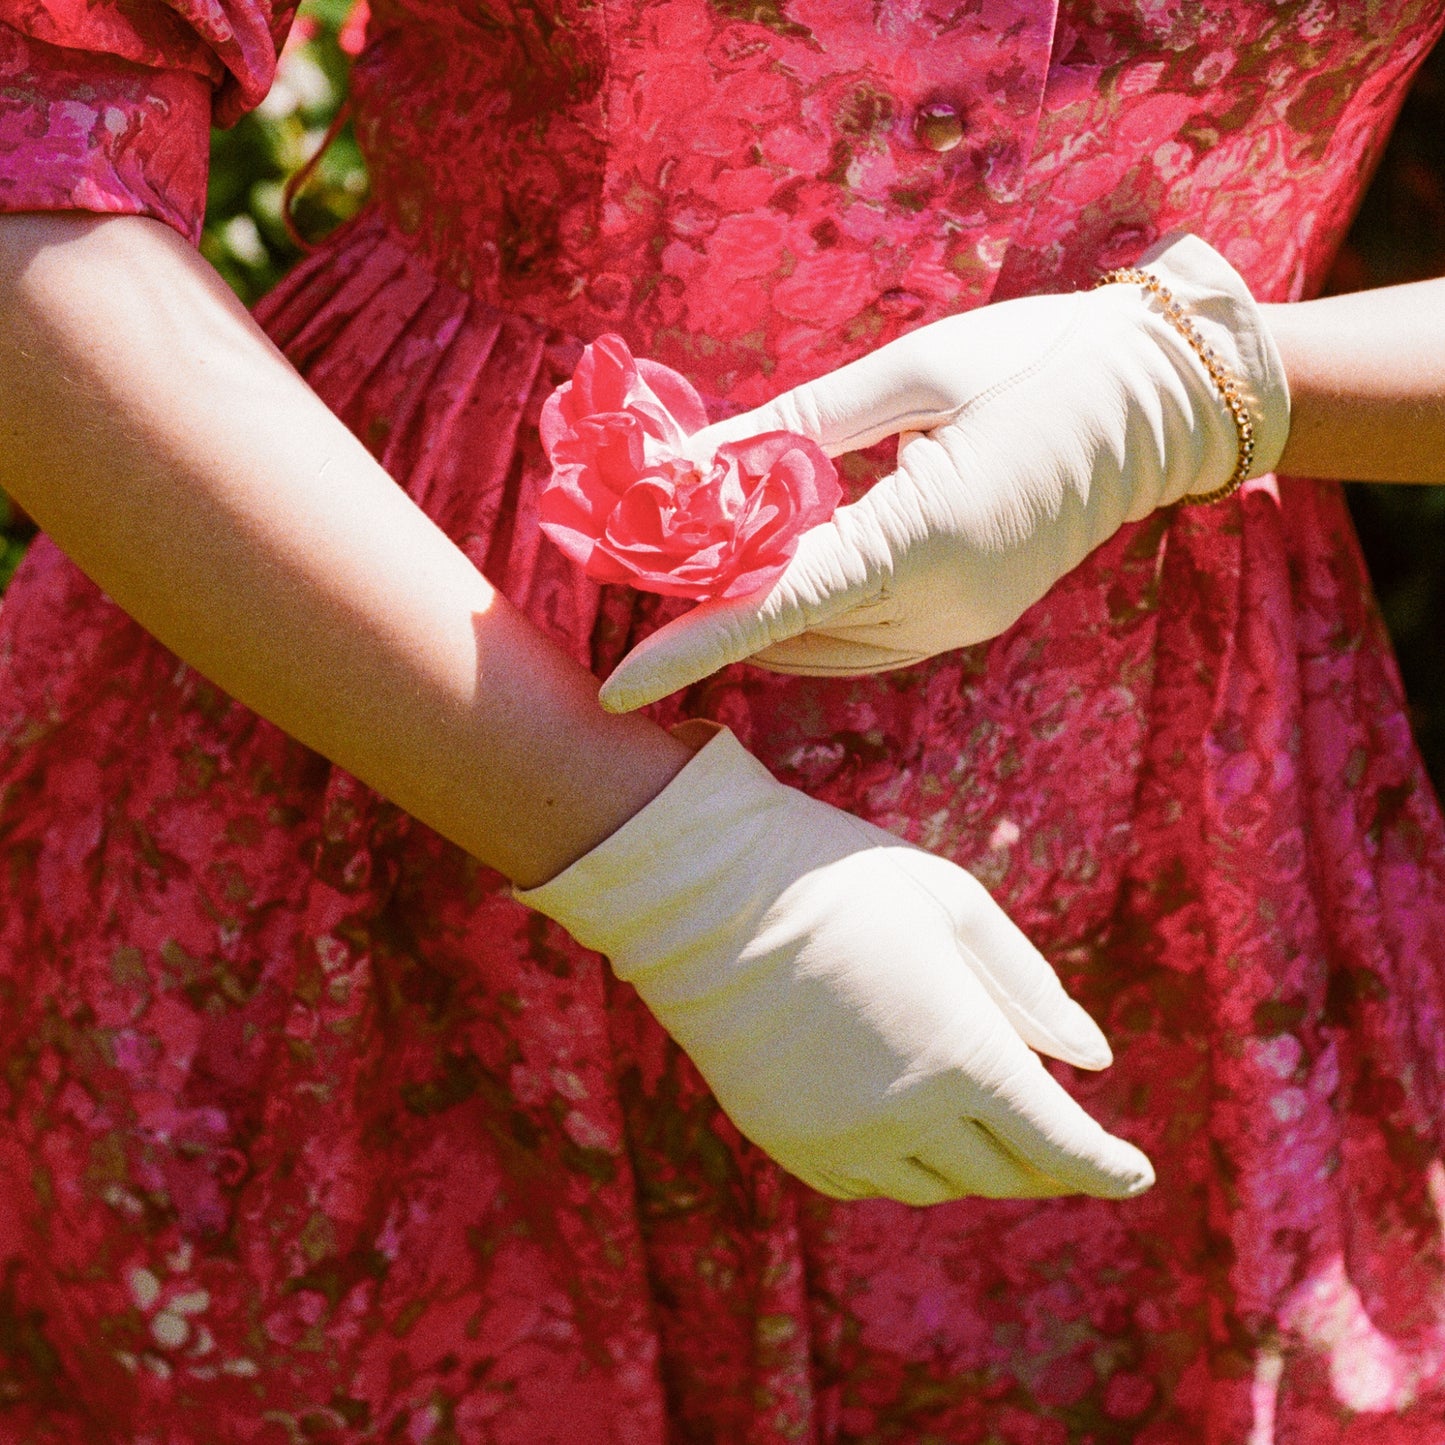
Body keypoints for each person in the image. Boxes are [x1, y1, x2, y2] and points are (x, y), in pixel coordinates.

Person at [1, 0, 1444, 1440]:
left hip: (1155, 817)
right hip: (389, 693)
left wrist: (1207, 390)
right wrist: (661, 867)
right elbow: (30, 136)